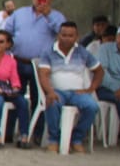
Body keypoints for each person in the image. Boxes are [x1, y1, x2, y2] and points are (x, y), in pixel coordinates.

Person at [5, 0, 66, 147]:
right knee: (14, 96)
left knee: (38, 98)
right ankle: (9, 132)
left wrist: (48, 15)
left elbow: (63, 34)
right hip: (18, 61)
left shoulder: (57, 16)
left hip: (40, 65)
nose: (40, 0)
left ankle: (36, 134)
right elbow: (6, 33)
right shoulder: (19, 13)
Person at [36, 20, 103, 153]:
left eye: (70, 36)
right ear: (58, 36)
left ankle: (76, 139)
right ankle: (54, 139)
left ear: (76, 37)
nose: (66, 38)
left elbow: (99, 71)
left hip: (77, 93)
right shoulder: (48, 52)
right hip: (57, 91)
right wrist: (49, 91)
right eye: (64, 35)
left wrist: (90, 89)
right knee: (52, 102)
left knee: (92, 107)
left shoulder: (82, 52)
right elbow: (43, 75)